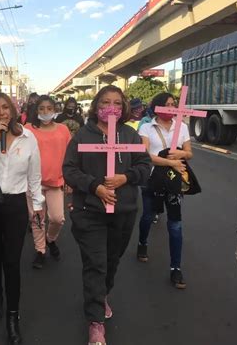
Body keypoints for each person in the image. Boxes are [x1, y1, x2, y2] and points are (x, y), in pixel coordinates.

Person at [63, 85, 151, 345]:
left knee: (112, 262)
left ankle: (100, 296)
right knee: (96, 263)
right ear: (96, 106)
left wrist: (126, 177)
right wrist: (95, 187)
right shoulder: (82, 136)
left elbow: (144, 166)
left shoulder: (130, 136)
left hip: (123, 212)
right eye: (105, 102)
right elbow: (69, 170)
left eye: (116, 102)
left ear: (123, 107)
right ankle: (95, 321)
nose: (110, 107)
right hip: (89, 212)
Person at [0, 92, 44, 345]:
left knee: (12, 261)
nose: (2, 112)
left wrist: (37, 205)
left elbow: (35, 174)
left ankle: (13, 317)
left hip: (15, 204)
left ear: (12, 110)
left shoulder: (28, 136)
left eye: (5, 108)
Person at [137, 92, 192, 289]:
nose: (171, 108)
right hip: (151, 180)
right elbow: (145, 154)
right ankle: (142, 242)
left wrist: (182, 153)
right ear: (158, 107)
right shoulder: (146, 127)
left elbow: (189, 152)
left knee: (175, 224)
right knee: (148, 216)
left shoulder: (182, 127)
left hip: (174, 181)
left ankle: (175, 268)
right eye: (167, 104)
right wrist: (170, 162)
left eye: (174, 104)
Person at [25, 95, 71, 269]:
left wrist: (70, 180)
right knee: (37, 219)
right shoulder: (28, 129)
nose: (45, 112)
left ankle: (50, 240)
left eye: (49, 108)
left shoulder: (63, 130)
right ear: (36, 111)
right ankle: (40, 251)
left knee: (57, 218)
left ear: (55, 110)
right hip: (33, 184)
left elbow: (70, 157)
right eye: (41, 108)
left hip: (56, 182)